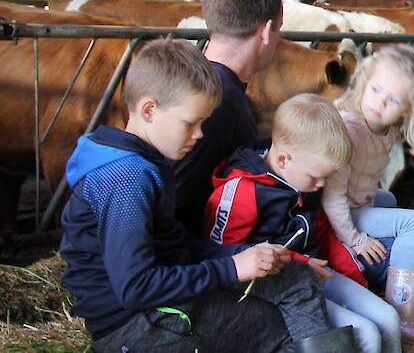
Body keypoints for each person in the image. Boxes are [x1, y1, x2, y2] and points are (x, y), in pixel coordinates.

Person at [59, 39, 352, 352]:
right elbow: (136, 287)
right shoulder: (127, 179)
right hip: (134, 324)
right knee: (280, 329)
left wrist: (244, 254)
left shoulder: (146, 162)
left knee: (293, 276)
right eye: (191, 123)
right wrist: (232, 268)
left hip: (158, 298)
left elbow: (173, 248)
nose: (199, 135)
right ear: (149, 110)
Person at [205, 93, 403, 353]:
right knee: (365, 334)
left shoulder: (302, 177)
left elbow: (319, 231)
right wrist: (299, 262)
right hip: (277, 286)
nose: (321, 186)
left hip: (316, 273)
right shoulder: (242, 192)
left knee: (389, 318)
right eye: (316, 178)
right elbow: (227, 255)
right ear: (284, 159)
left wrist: (350, 269)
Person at [323, 44, 414, 348]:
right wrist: (356, 240)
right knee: (413, 222)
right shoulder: (349, 130)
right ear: (364, 83)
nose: (379, 102)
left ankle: (390, 292)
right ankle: (403, 314)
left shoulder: (386, 129)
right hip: (340, 211)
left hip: (359, 200)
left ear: (409, 109)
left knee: (390, 201)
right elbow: (331, 196)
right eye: (376, 89)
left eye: (392, 99)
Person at [174, 0, 284, 234]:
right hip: (197, 252)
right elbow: (179, 202)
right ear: (267, 31)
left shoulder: (190, 77)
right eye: (280, 28)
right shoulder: (224, 102)